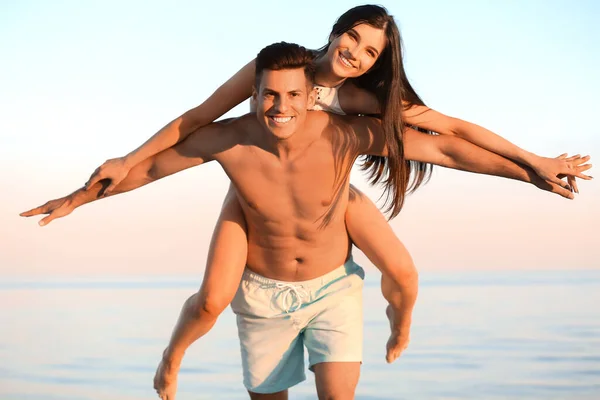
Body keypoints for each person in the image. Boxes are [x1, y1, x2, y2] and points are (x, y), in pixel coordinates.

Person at [21, 42, 590, 400]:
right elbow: (145, 172)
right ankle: (172, 357)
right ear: (252, 96)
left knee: (395, 292)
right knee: (211, 303)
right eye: (268, 95)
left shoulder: (347, 128)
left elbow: (447, 148)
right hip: (263, 290)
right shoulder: (224, 139)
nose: (280, 107)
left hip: (332, 286)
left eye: (293, 95)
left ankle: (402, 319)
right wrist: (76, 197)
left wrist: (530, 171)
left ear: (311, 96)